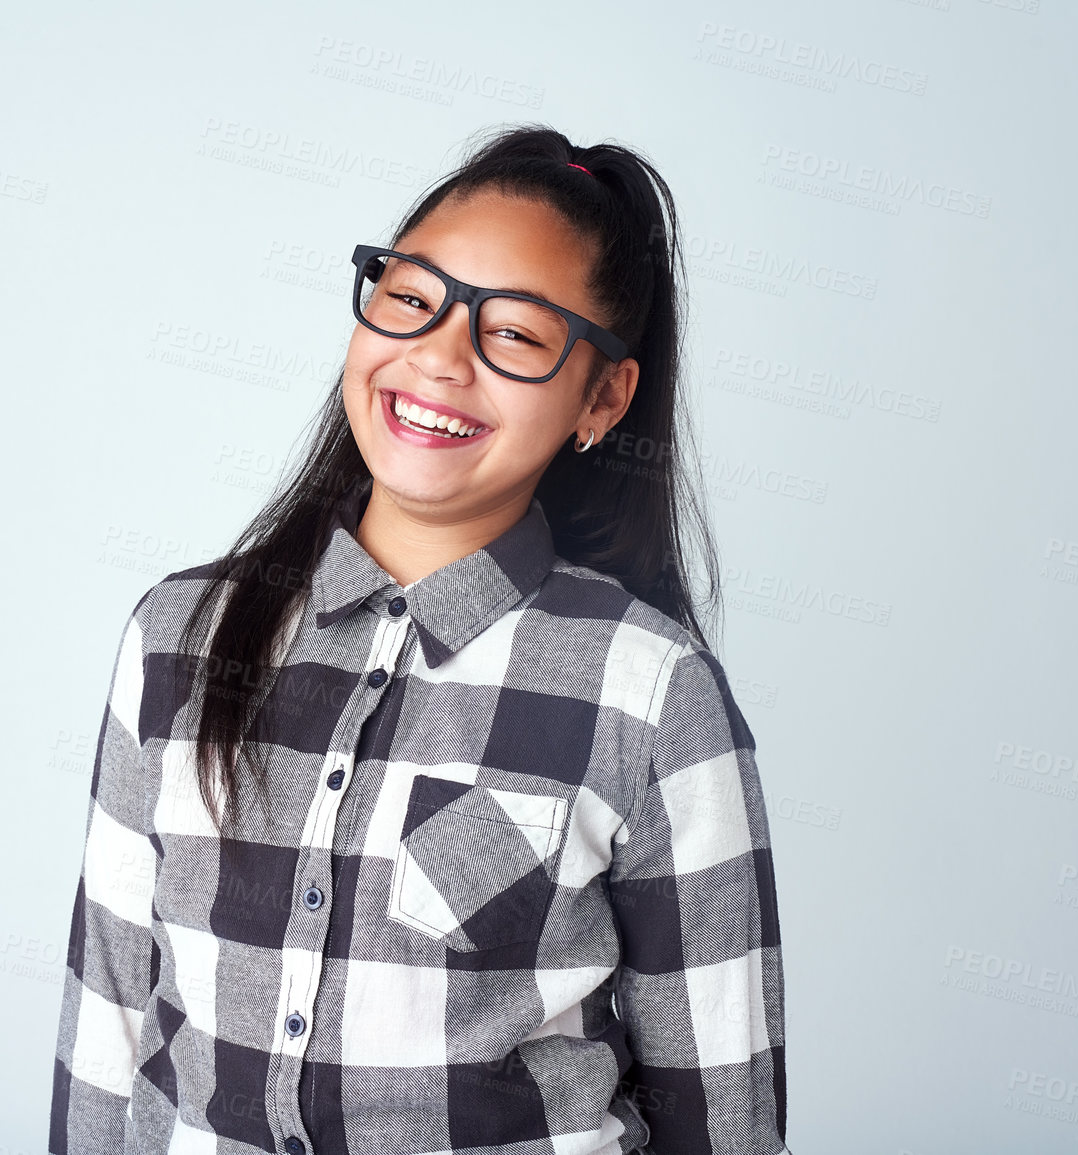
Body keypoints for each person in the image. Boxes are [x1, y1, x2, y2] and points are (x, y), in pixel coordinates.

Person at [48, 123, 788, 1155]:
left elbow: (723, 1108)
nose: (439, 358)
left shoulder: (651, 692)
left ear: (602, 399)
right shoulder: (178, 637)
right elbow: (110, 1021)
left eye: (518, 335)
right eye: (410, 297)